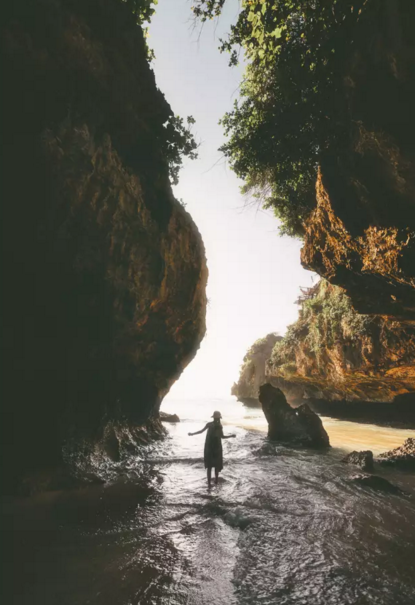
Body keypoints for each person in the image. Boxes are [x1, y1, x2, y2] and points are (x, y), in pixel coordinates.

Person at [188, 411, 236, 486]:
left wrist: (231, 436)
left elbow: (201, 431)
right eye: (217, 418)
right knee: (214, 466)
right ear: (218, 418)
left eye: (217, 418)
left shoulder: (212, 425)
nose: (217, 419)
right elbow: (222, 437)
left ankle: (210, 484)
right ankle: (214, 482)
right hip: (215, 447)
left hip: (210, 447)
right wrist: (192, 434)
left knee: (210, 466)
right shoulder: (217, 425)